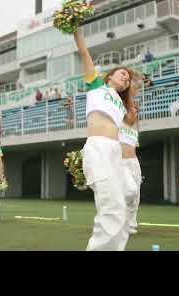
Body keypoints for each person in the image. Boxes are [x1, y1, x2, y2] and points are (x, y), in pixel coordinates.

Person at [74, 29, 134, 251]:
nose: (126, 78)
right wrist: (77, 30)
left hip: (114, 153)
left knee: (123, 205)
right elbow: (84, 54)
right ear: (109, 76)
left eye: (128, 78)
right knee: (110, 207)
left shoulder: (122, 105)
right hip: (98, 148)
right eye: (122, 74)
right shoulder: (97, 86)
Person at [119, 89, 143, 235]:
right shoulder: (117, 123)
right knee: (130, 192)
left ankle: (131, 223)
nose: (135, 112)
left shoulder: (134, 130)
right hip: (121, 163)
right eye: (133, 110)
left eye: (137, 111)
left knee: (136, 196)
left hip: (134, 163)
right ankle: (121, 220)